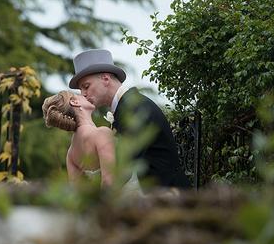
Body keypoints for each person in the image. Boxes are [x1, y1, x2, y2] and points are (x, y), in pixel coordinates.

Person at [68, 49, 190, 189]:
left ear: (106, 79)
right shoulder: (124, 108)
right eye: (81, 90)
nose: (83, 94)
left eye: (86, 86)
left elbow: (125, 168)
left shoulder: (135, 108)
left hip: (172, 199)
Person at [42, 91, 115, 187]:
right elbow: (108, 183)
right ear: (75, 102)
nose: (85, 95)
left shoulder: (71, 154)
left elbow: (77, 194)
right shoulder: (102, 134)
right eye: (80, 95)